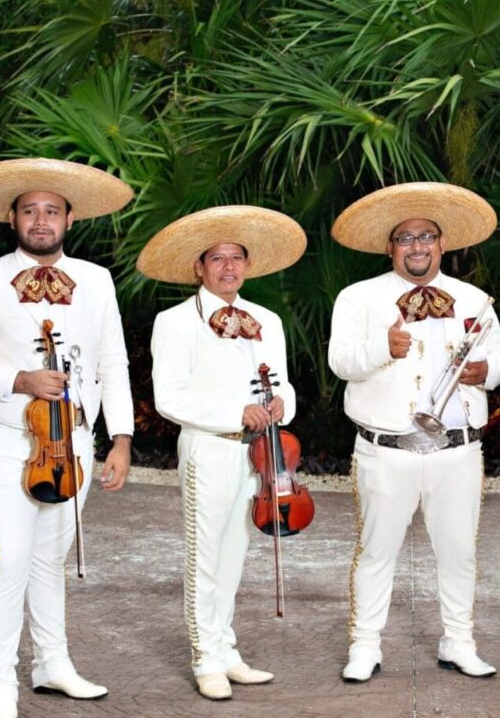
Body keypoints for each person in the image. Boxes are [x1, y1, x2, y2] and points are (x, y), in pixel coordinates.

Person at [0, 158, 135, 718]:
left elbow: (113, 363)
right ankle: (0, 679)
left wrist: (119, 438)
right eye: (31, 211)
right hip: (7, 442)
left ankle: (53, 664)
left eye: (52, 211)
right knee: (11, 560)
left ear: (69, 219)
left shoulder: (96, 281)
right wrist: (18, 380)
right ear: (12, 218)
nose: (41, 220)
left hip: (74, 443)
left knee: (52, 559)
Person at [328, 182, 500, 683]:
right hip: (386, 451)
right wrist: (381, 347)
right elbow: (340, 362)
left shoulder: (474, 298)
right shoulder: (358, 298)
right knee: (375, 552)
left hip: (458, 450)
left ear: (442, 244)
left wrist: (488, 371)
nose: (417, 246)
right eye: (405, 238)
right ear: (390, 247)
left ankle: (459, 641)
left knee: (459, 553)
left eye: (426, 236)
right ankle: (365, 646)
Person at [137, 205, 307, 701]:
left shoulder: (267, 321)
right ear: (199, 267)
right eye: (217, 259)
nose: (228, 267)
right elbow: (170, 397)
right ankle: (204, 656)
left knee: (235, 554)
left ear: (248, 266)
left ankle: (226, 648)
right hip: (209, 449)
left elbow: (287, 387)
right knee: (205, 556)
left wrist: (280, 404)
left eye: (237, 258)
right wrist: (237, 412)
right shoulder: (174, 322)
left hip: (259, 455)